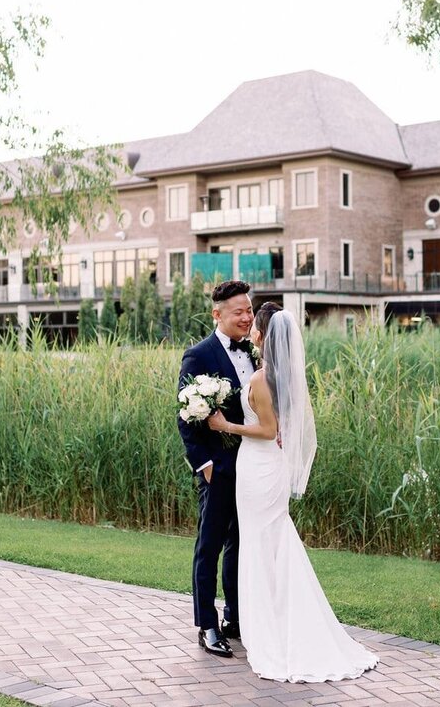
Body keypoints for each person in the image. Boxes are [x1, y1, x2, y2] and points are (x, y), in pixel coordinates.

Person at [208, 302, 379, 682]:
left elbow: (268, 431)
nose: (251, 327)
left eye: (257, 325)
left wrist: (225, 425)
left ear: (265, 335)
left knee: (259, 544)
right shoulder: (280, 376)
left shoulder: (260, 379)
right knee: (271, 542)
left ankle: (270, 627)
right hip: (268, 469)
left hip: (258, 467)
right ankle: (277, 617)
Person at [177, 279, 256, 658]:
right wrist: (205, 465)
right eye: (239, 311)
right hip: (218, 468)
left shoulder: (254, 354)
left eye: (249, 310)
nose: (246, 317)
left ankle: (236, 617)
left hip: (254, 468)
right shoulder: (198, 355)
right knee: (209, 547)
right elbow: (185, 418)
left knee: (241, 544)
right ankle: (207, 625)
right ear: (218, 314)